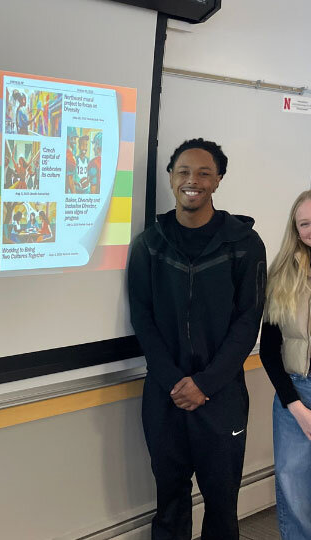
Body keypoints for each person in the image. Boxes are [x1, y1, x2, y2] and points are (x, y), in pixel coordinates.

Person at [128, 138, 266, 539]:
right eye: (184, 172)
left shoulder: (244, 243)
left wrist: (205, 384)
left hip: (221, 395)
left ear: (218, 180)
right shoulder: (149, 243)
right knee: (169, 500)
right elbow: (143, 317)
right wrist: (174, 381)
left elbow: (247, 322)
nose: (193, 180)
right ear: (171, 178)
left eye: (204, 173)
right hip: (164, 395)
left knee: (222, 503)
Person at [259, 190, 311, 539]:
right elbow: (268, 350)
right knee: (295, 488)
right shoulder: (282, 274)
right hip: (297, 393)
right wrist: (297, 407)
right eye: (305, 223)